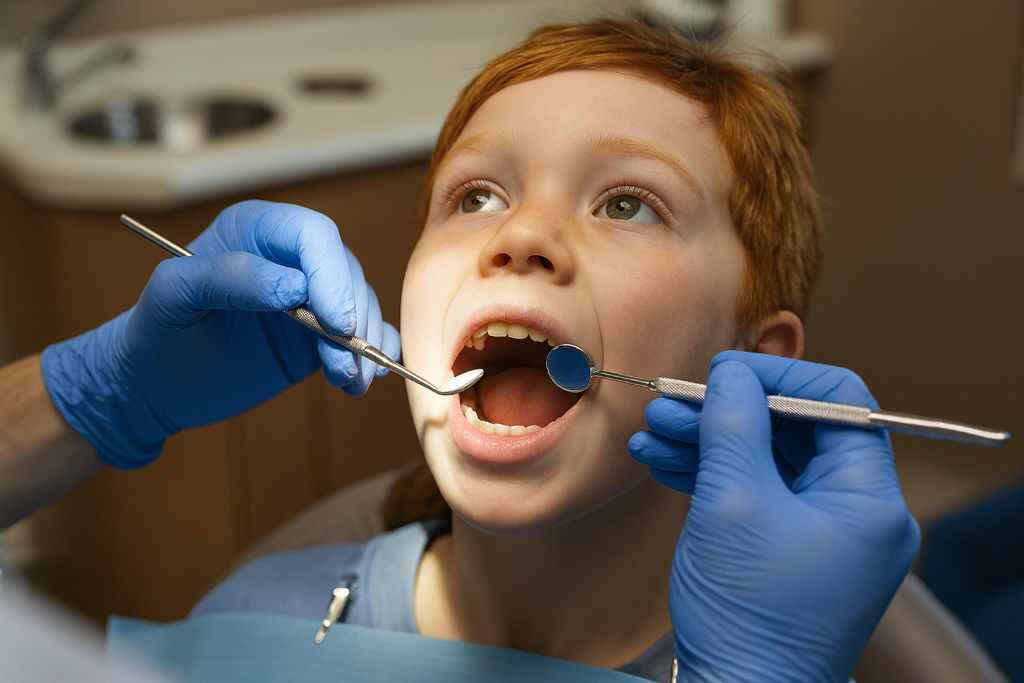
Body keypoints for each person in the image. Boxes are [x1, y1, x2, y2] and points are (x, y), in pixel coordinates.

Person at [0, 19, 919, 683]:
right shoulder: (245, 629)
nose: (522, 235)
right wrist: (96, 393)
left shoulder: (795, 643)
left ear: (752, 358)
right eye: (476, 194)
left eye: (627, 202)